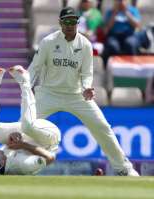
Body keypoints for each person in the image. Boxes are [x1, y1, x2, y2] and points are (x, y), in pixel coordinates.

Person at [28, 6, 139, 176]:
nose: (70, 25)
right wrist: (26, 87)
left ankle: (124, 168)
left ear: (78, 22)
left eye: (73, 21)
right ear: (60, 23)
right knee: (26, 125)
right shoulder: (48, 42)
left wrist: (87, 87)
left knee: (103, 127)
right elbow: (34, 68)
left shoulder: (85, 44)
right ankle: (6, 161)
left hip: (77, 95)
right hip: (49, 93)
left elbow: (87, 73)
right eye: (67, 21)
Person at [0, 65, 61, 175]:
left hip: (26, 137)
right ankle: (25, 81)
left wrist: (15, 138)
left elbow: (13, 144)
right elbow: (50, 158)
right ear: (1, 163)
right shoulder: (23, 166)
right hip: (48, 140)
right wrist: (23, 145)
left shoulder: (5, 159)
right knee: (27, 126)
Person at [101, 0, 141, 65]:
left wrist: (126, 12)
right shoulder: (110, 12)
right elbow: (106, 30)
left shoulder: (133, 10)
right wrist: (115, 13)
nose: (121, 2)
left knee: (130, 44)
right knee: (112, 46)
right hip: (114, 36)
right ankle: (113, 67)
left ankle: (133, 65)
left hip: (129, 35)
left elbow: (137, 25)